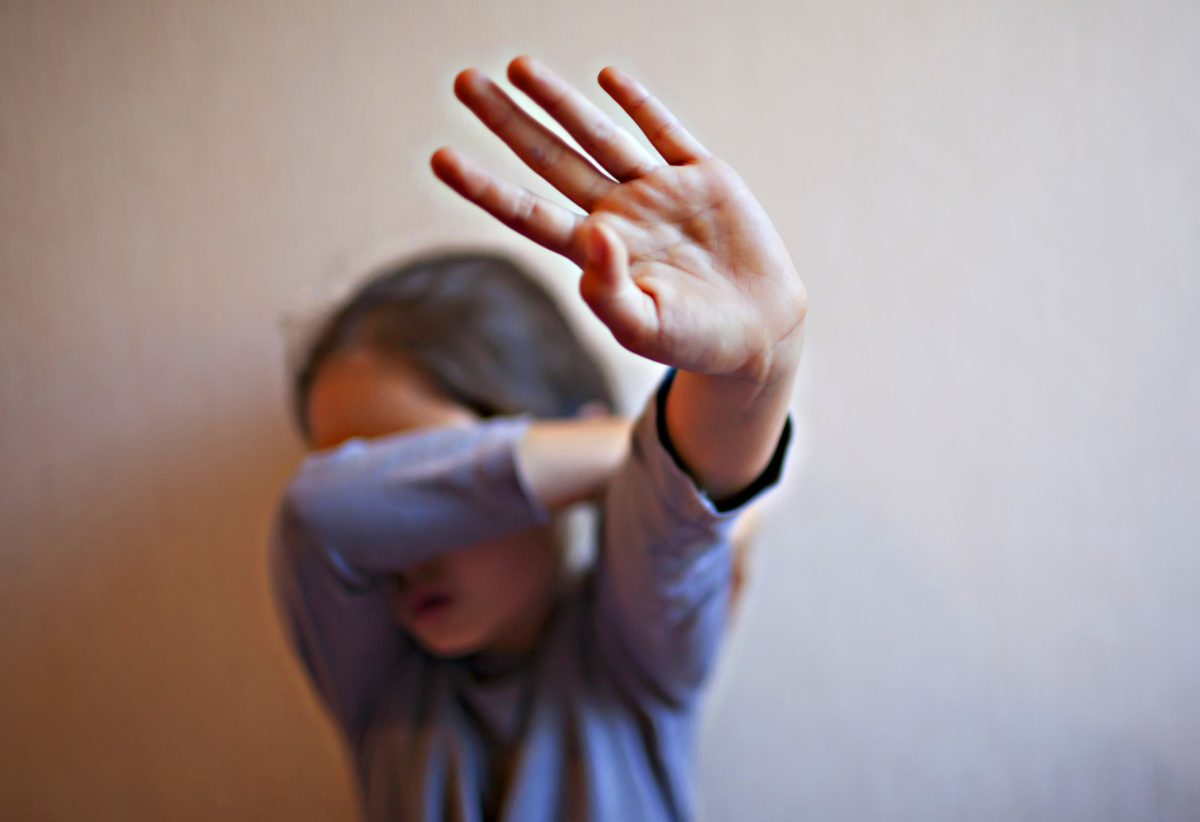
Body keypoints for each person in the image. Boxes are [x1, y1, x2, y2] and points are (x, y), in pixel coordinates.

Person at [269, 55, 808, 821]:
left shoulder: (630, 657)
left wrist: (752, 369)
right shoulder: (382, 689)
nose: (397, 551)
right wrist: (627, 451)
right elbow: (319, 516)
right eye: (389, 491)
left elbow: (671, 535)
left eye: (429, 471)